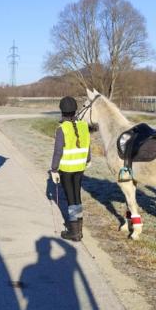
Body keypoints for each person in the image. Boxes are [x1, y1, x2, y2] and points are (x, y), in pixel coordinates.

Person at [49, 96, 91, 242]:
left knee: (71, 199)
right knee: (77, 196)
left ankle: (74, 232)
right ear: (75, 110)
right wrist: (88, 160)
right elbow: (87, 146)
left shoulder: (62, 129)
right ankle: (78, 227)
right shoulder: (84, 126)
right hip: (80, 167)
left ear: (62, 111)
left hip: (66, 169)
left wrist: (54, 169)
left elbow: (58, 152)